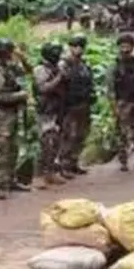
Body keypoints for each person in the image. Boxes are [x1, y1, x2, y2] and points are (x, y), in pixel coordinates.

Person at [0, 38, 31, 200]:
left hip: (11, 113)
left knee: (12, 148)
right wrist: (21, 95)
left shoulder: (8, 66)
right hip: (0, 114)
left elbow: (26, 72)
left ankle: (9, 180)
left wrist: (22, 57)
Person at [107, 34, 134, 172]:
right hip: (123, 103)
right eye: (123, 46)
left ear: (132, 47)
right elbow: (110, 88)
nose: (125, 49)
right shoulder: (115, 66)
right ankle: (123, 162)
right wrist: (114, 106)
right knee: (123, 133)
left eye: (128, 46)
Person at [56, 35, 94, 177]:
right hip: (69, 106)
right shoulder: (64, 64)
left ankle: (73, 162)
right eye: (75, 46)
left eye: (81, 46)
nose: (79, 49)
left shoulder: (84, 65)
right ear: (70, 47)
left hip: (83, 104)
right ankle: (63, 165)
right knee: (68, 136)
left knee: (81, 135)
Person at [32, 41, 66, 189]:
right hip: (45, 110)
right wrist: (59, 77)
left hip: (57, 109)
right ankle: (39, 175)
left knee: (56, 142)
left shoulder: (56, 67)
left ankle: (50, 172)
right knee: (45, 143)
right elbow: (43, 88)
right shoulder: (40, 69)